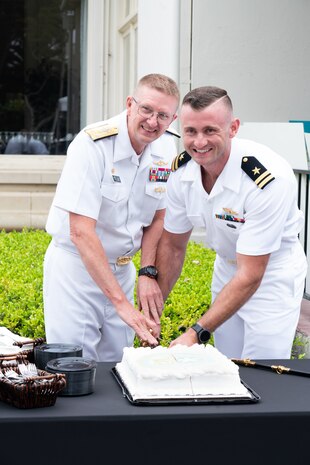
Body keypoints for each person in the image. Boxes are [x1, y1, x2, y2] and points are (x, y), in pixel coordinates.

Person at [155, 85, 308, 360]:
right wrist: (154, 315)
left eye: (210, 130)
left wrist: (195, 332)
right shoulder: (180, 172)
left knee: (263, 367)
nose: (199, 142)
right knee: (226, 364)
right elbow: (173, 246)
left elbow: (251, 274)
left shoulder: (266, 179)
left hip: (271, 274)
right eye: (191, 131)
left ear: (233, 127)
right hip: (227, 267)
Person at [43, 73, 180, 361]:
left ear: (173, 118)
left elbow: (158, 218)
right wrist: (122, 305)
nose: (153, 122)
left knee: (119, 366)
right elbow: (80, 231)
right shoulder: (92, 145)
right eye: (146, 110)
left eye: (163, 115)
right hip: (77, 271)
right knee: (75, 365)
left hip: (123, 269)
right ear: (130, 104)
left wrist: (147, 272)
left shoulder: (166, 147)